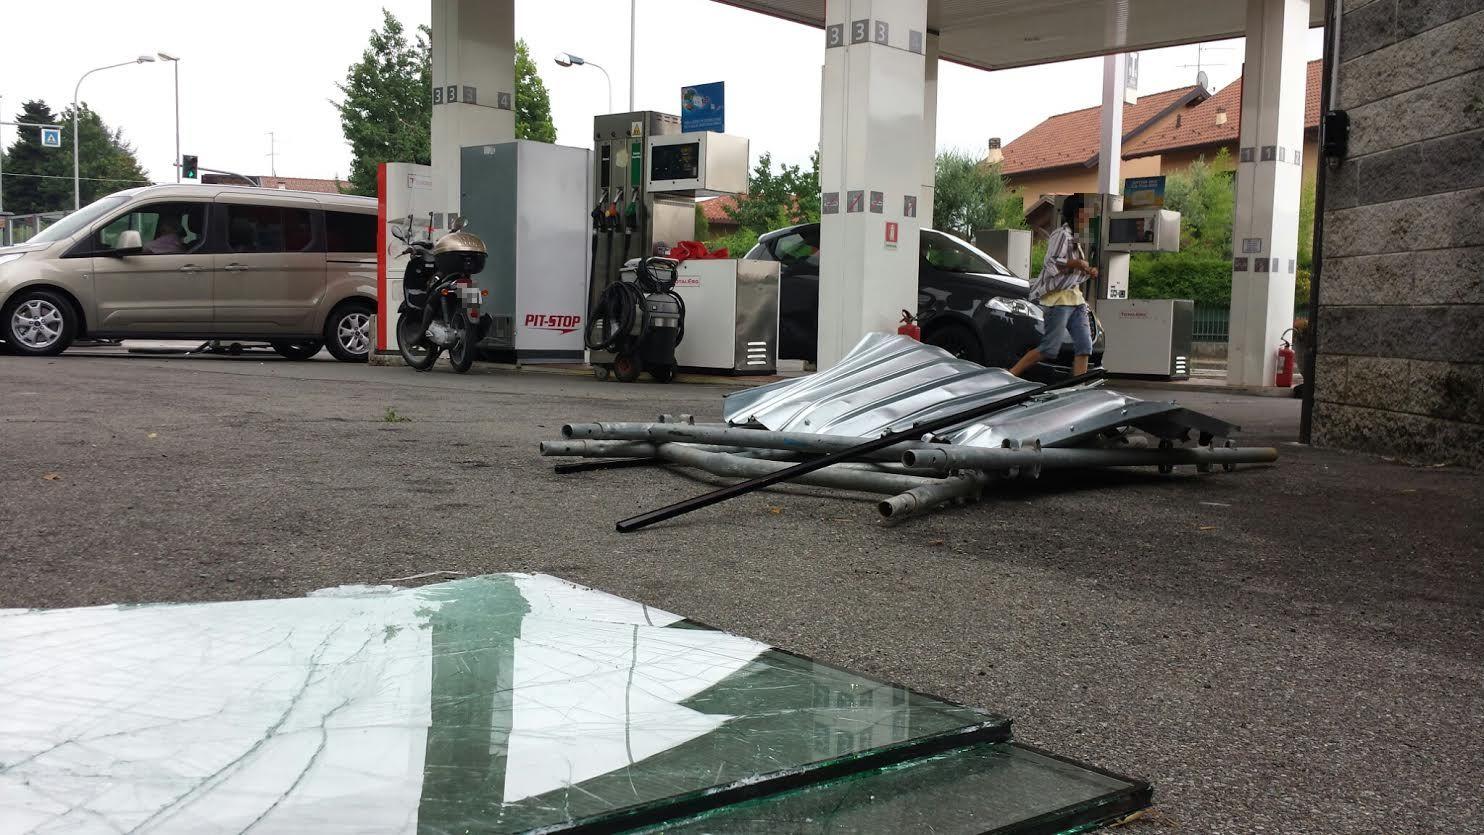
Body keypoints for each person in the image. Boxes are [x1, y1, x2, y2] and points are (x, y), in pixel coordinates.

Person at [1008, 195, 1096, 378]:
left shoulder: (1075, 237)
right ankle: (1011, 374)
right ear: (1075, 214)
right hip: (1058, 299)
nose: (1089, 218)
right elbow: (1051, 264)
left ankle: (1079, 386)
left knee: (1085, 346)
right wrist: (1077, 264)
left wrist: (1088, 270)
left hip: (1076, 299)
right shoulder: (1061, 235)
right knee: (1049, 348)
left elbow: (1073, 268)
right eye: (1085, 214)